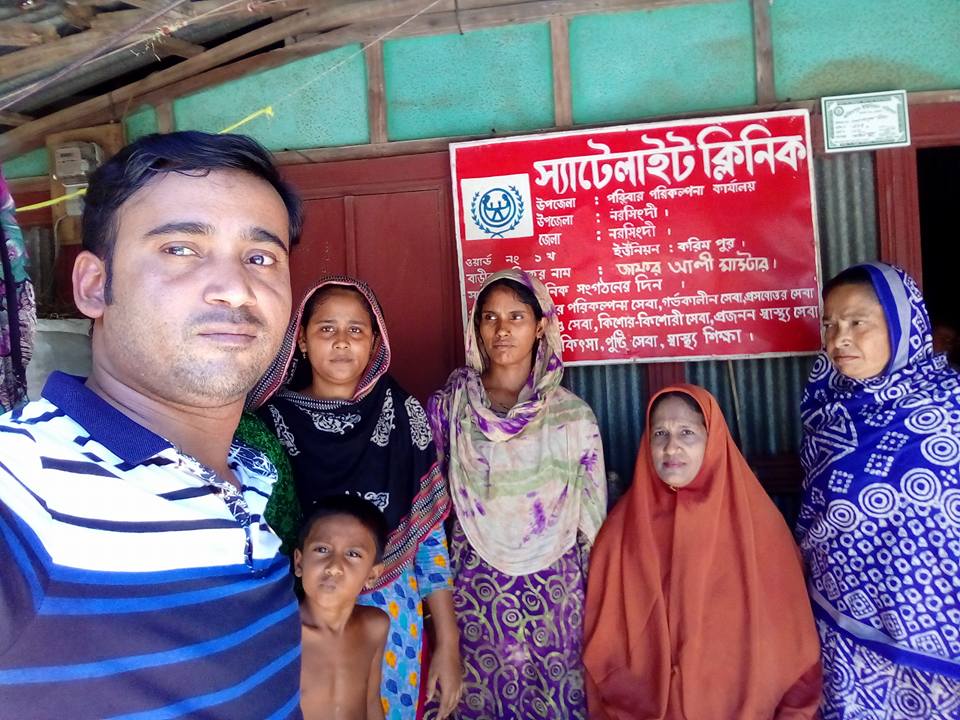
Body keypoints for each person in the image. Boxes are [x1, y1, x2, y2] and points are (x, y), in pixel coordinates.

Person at [0, 131, 304, 719]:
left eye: (261, 257)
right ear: (95, 286)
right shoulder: (26, 490)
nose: (236, 289)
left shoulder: (252, 477)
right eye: (181, 248)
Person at [248, 275, 462, 719]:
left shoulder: (402, 413)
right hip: (297, 614)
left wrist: (448, 641)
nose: (342, 342)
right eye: (326, 328)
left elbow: (428, 538)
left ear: (375, 342)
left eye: (356, 330)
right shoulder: (270, 423)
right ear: (301, 340)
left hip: (392, 609)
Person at [428, 269, 607, 720]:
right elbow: (431, 509)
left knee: (557, 700)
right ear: (476, 326)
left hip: (557, 589)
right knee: (477, 698)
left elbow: (592, 525)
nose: (502, 329)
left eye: (516, 317)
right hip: (473, 584)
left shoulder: (573, 417)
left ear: (540, 325)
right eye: (490, 317)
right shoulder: (451, 407)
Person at [582, 385, 822, 720]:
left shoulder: (760, 526)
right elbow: (604, 649)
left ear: (713, 441)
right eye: (660, 433)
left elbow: (794, 648)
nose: (671, 447)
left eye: (687, 433)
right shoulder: (621, 533)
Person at [798, 262, 960, 719]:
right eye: (829, 324)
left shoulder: (950, 407)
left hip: (940, 640)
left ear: (903, 325)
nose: (838, 339)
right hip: (843, 635)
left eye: (857, 322)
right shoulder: (827, 412)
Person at [295, 495, 391, 720]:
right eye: (322, 549)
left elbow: (371, 701)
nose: (334, 567)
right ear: (299, 562)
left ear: (372, 574)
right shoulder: (282, 635)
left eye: (353, 554)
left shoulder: (375, 627)